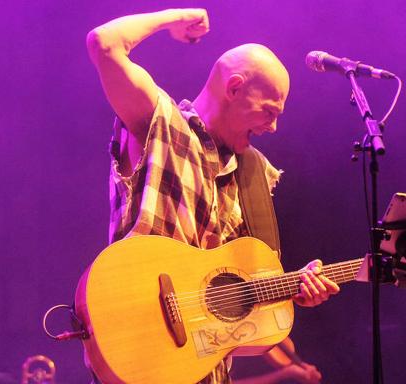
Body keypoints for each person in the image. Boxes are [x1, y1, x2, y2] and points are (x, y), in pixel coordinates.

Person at [86, 8, 339, 383]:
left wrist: (291, 288)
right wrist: (177, 17)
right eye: (268, 112)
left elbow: (232, 299)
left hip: (205, 371)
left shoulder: (251, 173)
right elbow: (104, 44)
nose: (273, 127)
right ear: (234, 88)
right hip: (138, 357)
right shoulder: (163, 124)